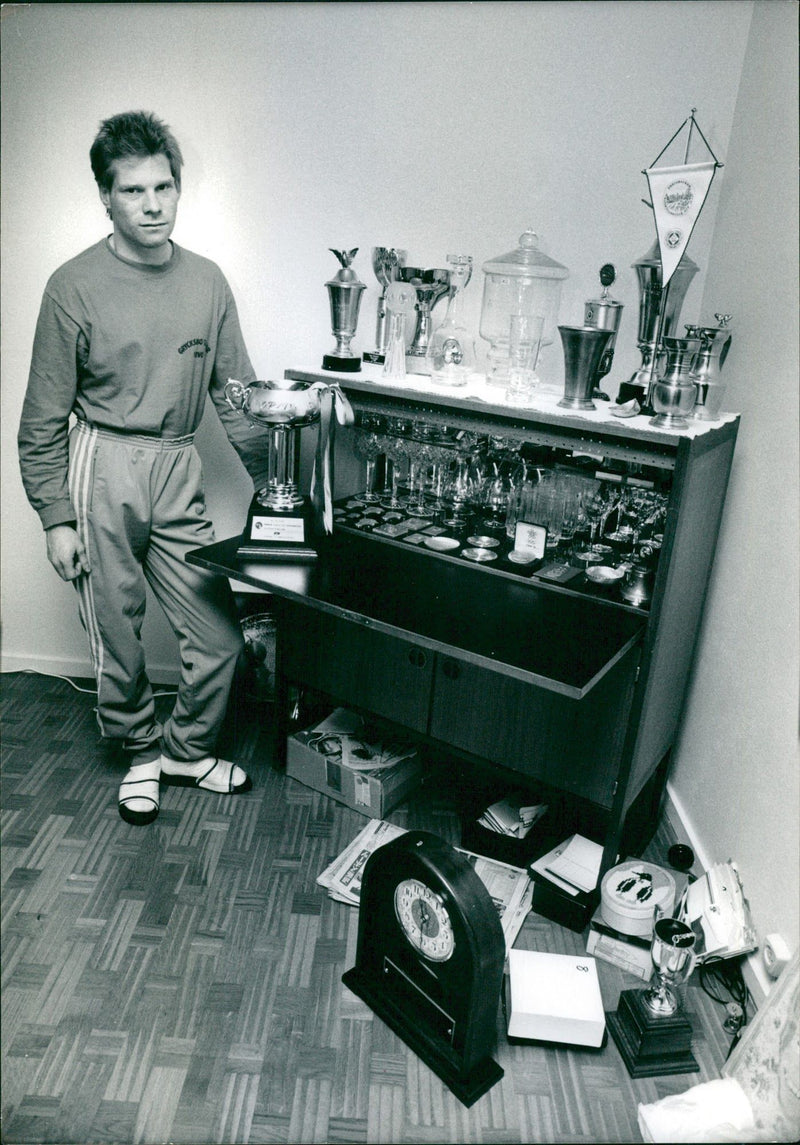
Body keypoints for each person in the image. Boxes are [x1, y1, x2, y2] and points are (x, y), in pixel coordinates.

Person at [18, 110, 271, 826]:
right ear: (105, 196)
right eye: (134, 191)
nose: (153, 204)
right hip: (102, 466)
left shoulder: (208, 282)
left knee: (220, 635)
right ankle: (139, 752)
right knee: (117, 631)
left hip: (176, 463)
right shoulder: (73, 285)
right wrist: (55, 517)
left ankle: (186, 750)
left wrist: (280, 498)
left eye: (164, 187)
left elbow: (239, 398)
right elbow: (41, 417)